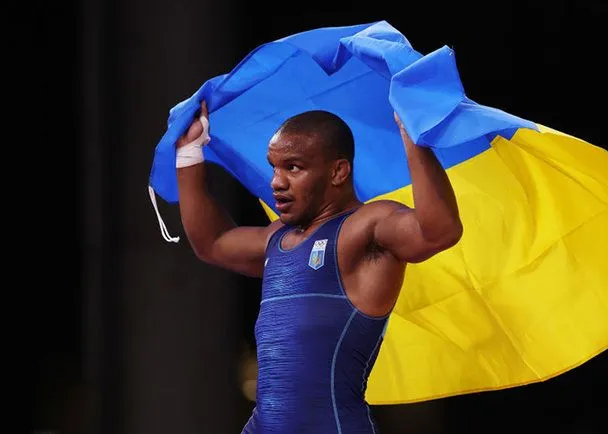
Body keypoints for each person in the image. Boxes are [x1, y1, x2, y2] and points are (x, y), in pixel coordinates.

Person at [174, 100, 463, 433]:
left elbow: (439, 232)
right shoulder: (277, 238)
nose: (276, 182)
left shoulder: (365, 227)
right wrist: (189, 152)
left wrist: (414, 137)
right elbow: (213, 242)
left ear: (338, 172)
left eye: (293, 168)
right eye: (274, 167)